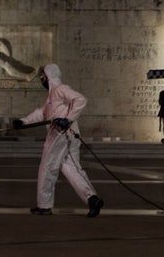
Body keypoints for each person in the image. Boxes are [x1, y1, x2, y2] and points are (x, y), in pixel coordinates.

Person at [13, 64, 104, 217]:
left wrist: (67, 119)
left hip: (59, 135)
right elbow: (41, 113)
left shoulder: (59, 90)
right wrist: (23, 121)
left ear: (48, 77)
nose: (41, 80)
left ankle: (44, 206)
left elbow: (81, 99)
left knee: (48, 167)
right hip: (68, 136)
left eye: (43, 77)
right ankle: (92, 199)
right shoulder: (52, 96)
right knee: (71, 168)